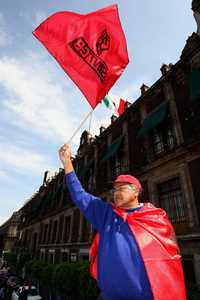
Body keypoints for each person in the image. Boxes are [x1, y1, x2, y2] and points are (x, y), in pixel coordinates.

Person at [59, 144, 186, 300]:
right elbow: (80, 195)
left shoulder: (156, 218)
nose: (116, 193)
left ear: (136, 191)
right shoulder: (106, 214)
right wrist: (67, 163)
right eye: (114, 190)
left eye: (122, 188)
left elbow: (172, 259)